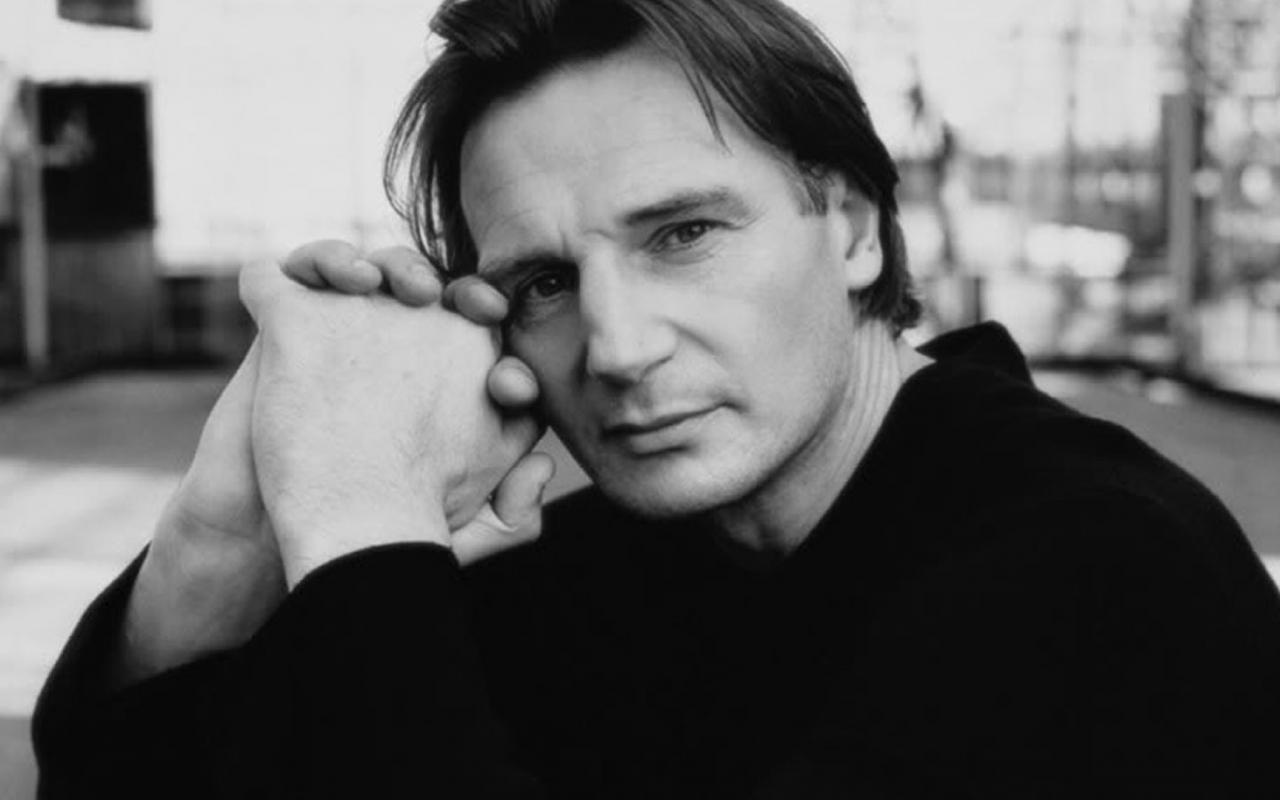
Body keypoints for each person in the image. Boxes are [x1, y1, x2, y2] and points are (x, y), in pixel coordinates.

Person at [33, 0, 1280, 796]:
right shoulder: (606, 565)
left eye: (682, 233)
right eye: (542, 282)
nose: (617, 348)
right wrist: (227, 533)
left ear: (850, 228)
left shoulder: (1102, 566)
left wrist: (366, 520)